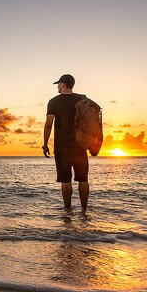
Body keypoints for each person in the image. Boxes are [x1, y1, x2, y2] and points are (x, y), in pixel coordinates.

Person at [43, 74, 89, 209]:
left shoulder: (54, 102)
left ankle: (67, 211)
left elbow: (48, 125)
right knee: (83, 179)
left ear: (63, 84)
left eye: (58, 84)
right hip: (80, 145)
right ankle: (84, 210)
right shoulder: (82, 99)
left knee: (65, 180)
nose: (57, 86)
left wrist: (45, 145)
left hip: (62, 147)